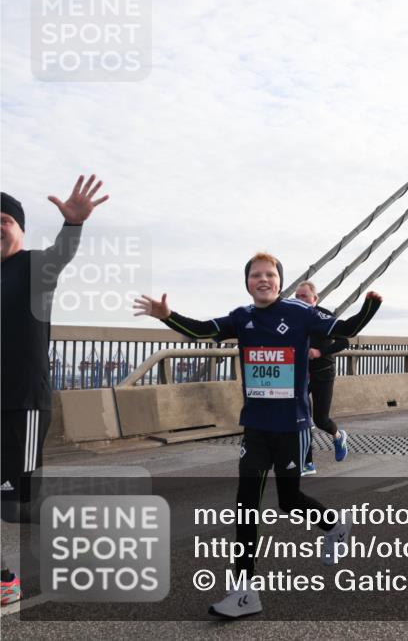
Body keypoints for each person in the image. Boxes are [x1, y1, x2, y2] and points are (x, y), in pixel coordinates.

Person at [134, 252, 381, 618]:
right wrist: (167, 316)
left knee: (289, 499)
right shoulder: (242, 318)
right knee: (245, 507)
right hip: (256, 428)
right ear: (247, 282)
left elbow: (344, 329)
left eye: (270, 275)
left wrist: (369, 308)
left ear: (280, 282)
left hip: (292, 427)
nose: (263, 280)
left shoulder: (300, 314)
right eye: (255, 275)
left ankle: (334, 524)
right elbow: (203, 330)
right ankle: (245, 592)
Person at [1, 177, 109, 607]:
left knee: (17, 507)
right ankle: (6, 580)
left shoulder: (33, 267)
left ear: (21, 231)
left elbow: (62, 255)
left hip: (22, 405)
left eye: (4, 220)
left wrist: (73, 226)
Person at [293, 281, 349, 476]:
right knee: (302, 417)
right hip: (300, 374)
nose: (300, 300)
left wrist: (319, 351)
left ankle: (338, 435)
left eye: (304, 296)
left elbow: (344, 341)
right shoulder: (291, 317)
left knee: (321, 418)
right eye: (297, 297)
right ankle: (307, 462)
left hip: (324, 371)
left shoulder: (324, 317)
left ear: (314, 299)